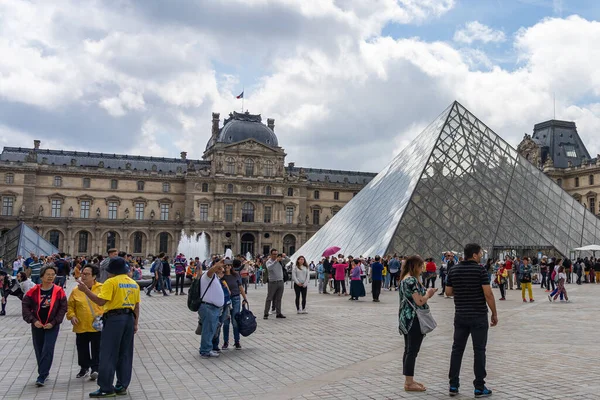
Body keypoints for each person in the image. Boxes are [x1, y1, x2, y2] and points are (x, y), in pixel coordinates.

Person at [77, 257, 140, 398]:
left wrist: (85, 290)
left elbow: (100, 301)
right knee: (125, 353)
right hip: (129, 319)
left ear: (112, 271)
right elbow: (136, 305)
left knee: (108, 353)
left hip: (114, 319)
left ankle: (106, 388)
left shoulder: (111, 282)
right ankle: (122, 385)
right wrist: (135, 323)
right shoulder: (133, 283)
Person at [446, 243, 497, 398]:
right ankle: (479, 387)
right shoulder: (480, 270)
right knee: (479, 351)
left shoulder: (453, 269)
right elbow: (488, 294)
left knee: (457, 350)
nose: (481, 255)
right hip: (478, 316)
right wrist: (494, 313)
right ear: (474, 255)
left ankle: (453, 385)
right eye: (480, 253)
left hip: (460, 316)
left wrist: (462, 292)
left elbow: (448, 292)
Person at [21, 265, 68, 387]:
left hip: (52, 325)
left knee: (48, 348)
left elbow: (63, 308)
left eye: (53, 274)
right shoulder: (34, 290)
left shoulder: (59, 291)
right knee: (39, 349)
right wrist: (33, 320)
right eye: (48, 274)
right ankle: (44, 372)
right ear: (41, 276)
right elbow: (25, 305)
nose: (51, 277)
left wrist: (54, 322)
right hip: (37, 324)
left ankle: (42, 375)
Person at [399, 255, 437, 392]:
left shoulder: (404, 279)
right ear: (415, 266)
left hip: (405, 318)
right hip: (414, 319)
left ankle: (408, 380)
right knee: (412, 351)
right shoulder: (411, 281)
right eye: (421, 267)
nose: (422, 270)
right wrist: (429, 293)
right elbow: (419, 301)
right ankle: (409, 383)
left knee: (408, 350)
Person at [67, 264, 103, 380]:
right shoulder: (75, 291)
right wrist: (72, 316)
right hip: (81, 324)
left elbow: (107, 304)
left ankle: (95, 368)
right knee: (82, 348)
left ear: (94, 276)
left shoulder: (102, 288)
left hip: (97, 325)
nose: (83, 276)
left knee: (97, 348)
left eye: (87, 274)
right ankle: (84, 367)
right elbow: (70, 306)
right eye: (82, 273)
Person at [198, 259, 226, 358]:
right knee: (208, 329)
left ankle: (207, 348)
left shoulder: (215, 277)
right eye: (220, 267)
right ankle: (205, 350)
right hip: (208, 307)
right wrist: (216, 266)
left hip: (213, 308)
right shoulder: (207, 275)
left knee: (210, 329)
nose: (222, 269)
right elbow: (210, 271)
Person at [221, 261, 248, 350]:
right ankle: (225, 342)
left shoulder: (236, 275)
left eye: (229, 265)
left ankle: (237, 341)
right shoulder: (222, 276)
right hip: (226, 300)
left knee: (235, 320)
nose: (227, 267)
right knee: (226, 321)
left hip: (236, 299)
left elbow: (240, 287)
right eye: (225, 265)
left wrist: (245, 298)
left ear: (231, 266)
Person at [263, 249, 289, 319]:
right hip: (272, 282)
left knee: (279, 298)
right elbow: (269, 268)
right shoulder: (269, 262)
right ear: (271, 255)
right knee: (269, 298)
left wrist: (285, 256)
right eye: (274, 254)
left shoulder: (280, 261)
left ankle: (278, 313)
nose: (275, 255)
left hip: (280, 281)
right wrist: (275, 261)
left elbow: (288, 260)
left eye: (276, 254)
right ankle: (266, 313)